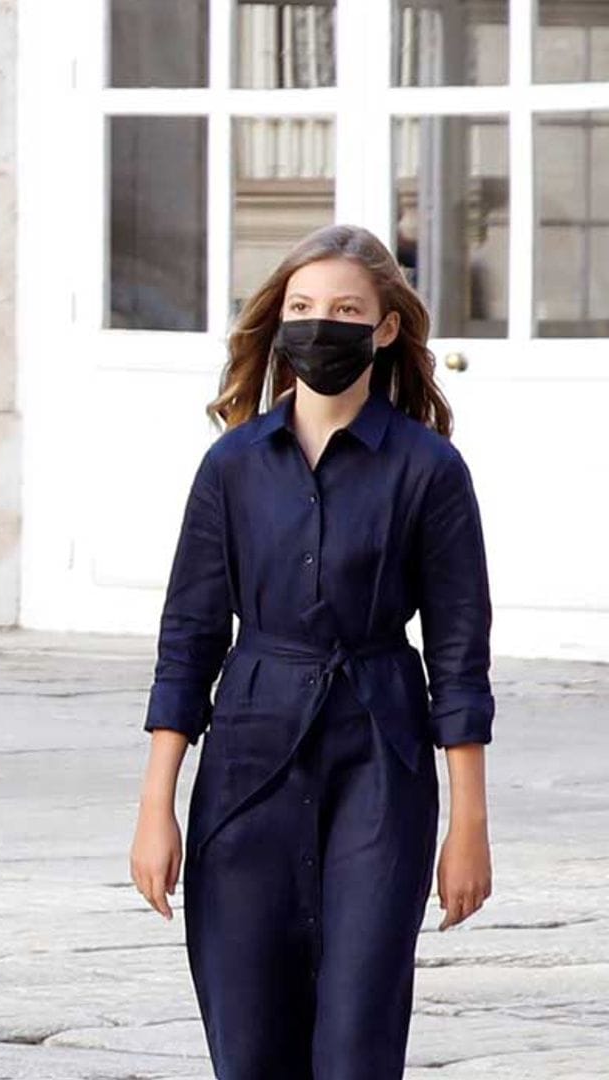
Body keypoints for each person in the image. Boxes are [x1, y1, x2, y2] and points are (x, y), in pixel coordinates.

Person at [129, 224, 494, 1079]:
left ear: (386, 328)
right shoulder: (231, 467)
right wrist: (157, 805)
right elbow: (187, 640)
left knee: (358, 1034)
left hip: (381, 747)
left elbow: (458, 657)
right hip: (249, 749)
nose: (318, 325)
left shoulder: (430, 471)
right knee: (248, 1039)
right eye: (301, 307)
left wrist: (468, 824)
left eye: (344, 310)